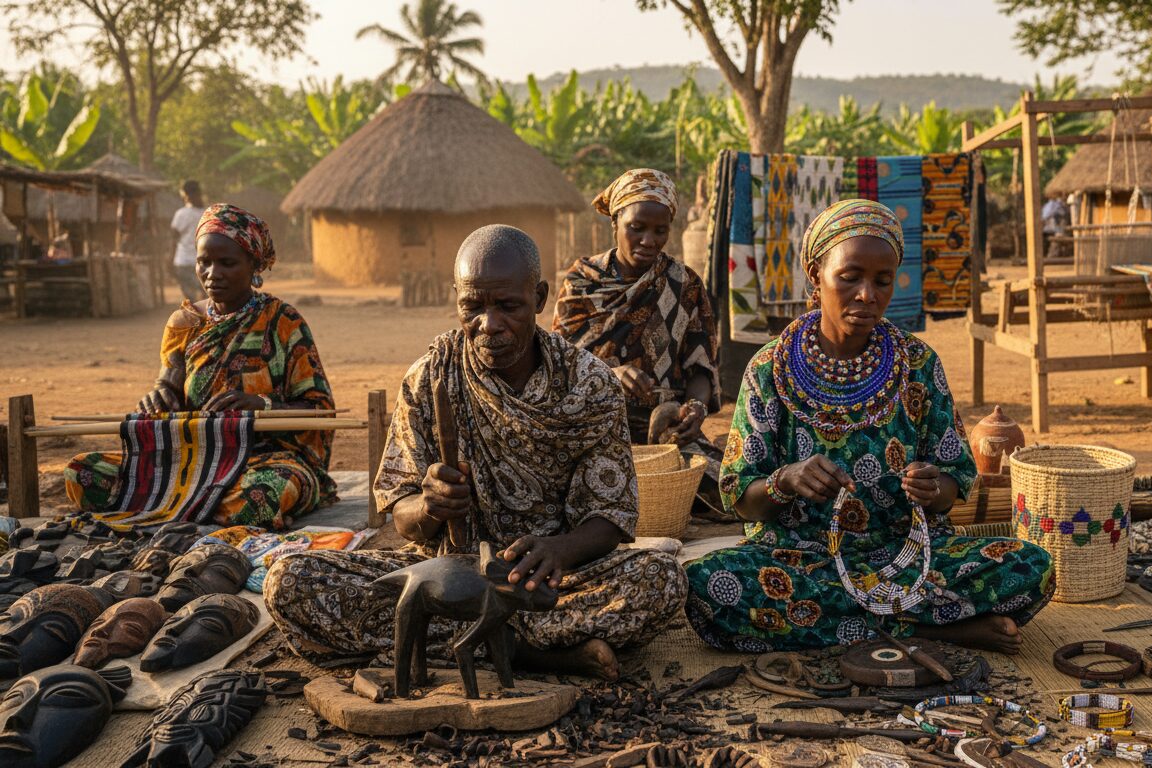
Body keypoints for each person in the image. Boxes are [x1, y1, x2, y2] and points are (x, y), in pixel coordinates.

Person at [265, 225, 687, 681]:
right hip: (444, 577)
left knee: (661, 578)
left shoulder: (589, 384)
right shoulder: (429, 378)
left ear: (539, 297)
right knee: (290, 579)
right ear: (457, 299)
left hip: (547, 581)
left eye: (508, 306)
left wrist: (559, 549)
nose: (489, 324)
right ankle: (528, 652)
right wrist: (429, 506)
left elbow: (610, 517)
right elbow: (400, 514)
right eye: (473, 307)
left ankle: (474, 644)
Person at [684, 200, 1054, 655]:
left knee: (1031, 564)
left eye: (882, 281)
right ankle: (924, 629)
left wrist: (931, 486)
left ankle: (854, 624)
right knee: (708, 586)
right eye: (850, 277)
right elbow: (741, 499)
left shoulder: (917, 364)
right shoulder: (769, 369)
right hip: (800, 559)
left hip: (908, 556)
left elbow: (956, 482)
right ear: (815, 275)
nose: (867, 295)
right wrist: (786, 480)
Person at [65, 204, 337, 529]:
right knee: (83, 472)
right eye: (204, 262)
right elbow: (170, 386)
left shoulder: (283, 322)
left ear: (254, 264)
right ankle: (199, 505)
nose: (212, 273)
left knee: (262, 494)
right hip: (192, 460)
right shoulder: (184, 323)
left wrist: (261, 406)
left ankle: (174, 504)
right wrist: (158, 399)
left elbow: (319, 410)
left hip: (266, 459)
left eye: (227, 263)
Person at [553, 168, 724, 514]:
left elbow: (701, 368)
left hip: (664, 431)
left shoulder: (684, 284)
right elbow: (557, 365)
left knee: (728, 490)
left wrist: (696, 410)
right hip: (592, 427)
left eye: (660, 231)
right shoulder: (581, 285)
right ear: (615, 222)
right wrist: (610, 375)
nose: (649, 240)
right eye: (637, 228)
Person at [170, 181, 206, 301]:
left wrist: (170, 259)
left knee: (191, 301)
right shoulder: (208, 213)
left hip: (183, 262)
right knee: (206, 297)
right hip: (204, 262)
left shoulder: (181, 214)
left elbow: (173, 238)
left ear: (186, 195)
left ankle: (196, 318)